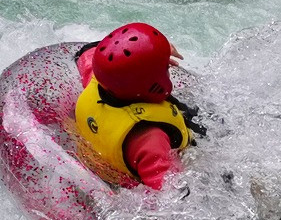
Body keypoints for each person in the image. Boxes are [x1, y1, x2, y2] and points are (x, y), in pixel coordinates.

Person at [73, 22, 205, 190]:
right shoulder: (150, 139)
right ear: (154, 84)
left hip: (108, 142)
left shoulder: (100, 81)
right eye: (165, 68)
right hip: (135, 174)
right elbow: (170, 193)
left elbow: (89, 51)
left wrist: (152, 53)